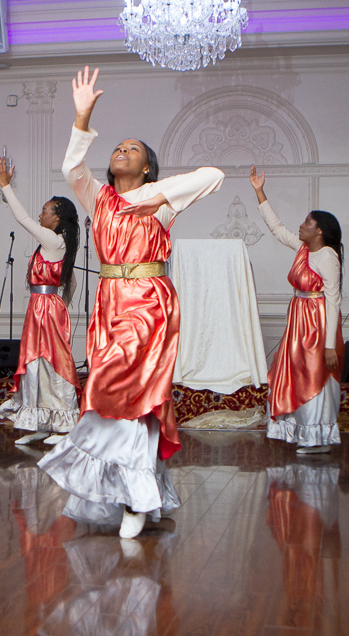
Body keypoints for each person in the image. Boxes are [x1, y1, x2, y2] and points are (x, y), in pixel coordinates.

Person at [38, 67, 225, 538]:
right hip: (109, 301)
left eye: (133, 149)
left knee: (132, 394)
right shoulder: (98, 198)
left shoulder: (159, 201)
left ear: (146, 167)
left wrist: (158, 194)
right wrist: (82, 118)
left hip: (148, 303)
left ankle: (137, 501)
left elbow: (215, 175)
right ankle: (135, 494)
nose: (122, 150)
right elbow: (70, 170)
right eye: (118, 147)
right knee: (112, 397)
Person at [250, 164, 344, 454]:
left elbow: (333, 300)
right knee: (294, 371)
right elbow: (277, 229)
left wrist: (330, 346)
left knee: (315, 373)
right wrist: (259, 191)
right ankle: (299, 430)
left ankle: (317, 437)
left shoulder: (327, 256)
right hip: (299, 319)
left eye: (307, 222)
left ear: (320, 231)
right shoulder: (304, 249)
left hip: (317, 323)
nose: (301, 226)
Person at [0, 155, 82, 446]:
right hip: (38, 309)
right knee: (36, 365)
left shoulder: (55, 242)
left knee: (54, 363)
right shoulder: (50, 243)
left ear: (56, 218)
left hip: (49, 311)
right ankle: (43, 423)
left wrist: (6, 186)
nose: (40, 215)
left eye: (45, 211)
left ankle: (65, 425)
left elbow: (22, 218)